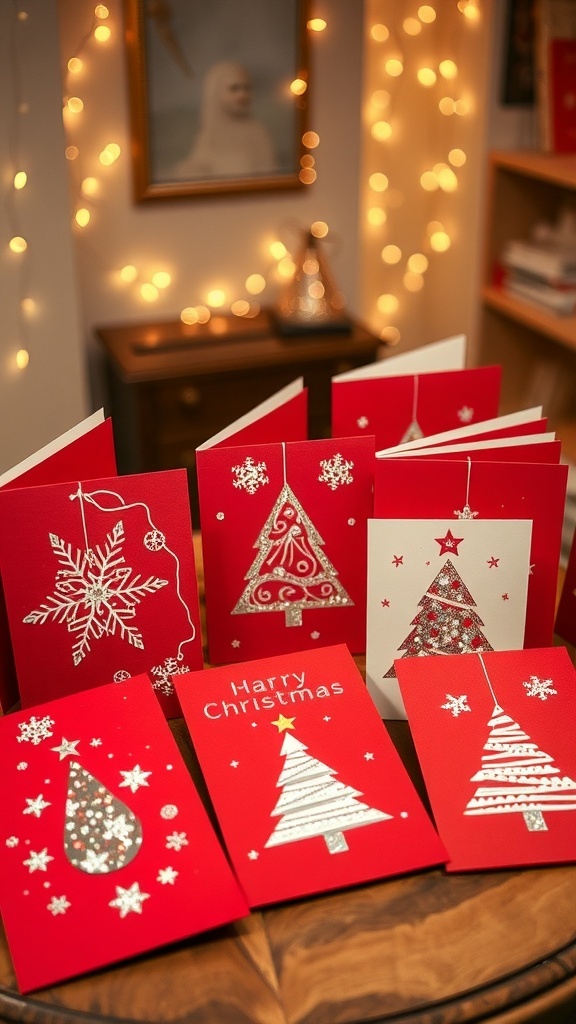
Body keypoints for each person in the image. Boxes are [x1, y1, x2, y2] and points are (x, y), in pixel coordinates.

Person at [173, 60, 277, 179]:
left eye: (246, 88)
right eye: (234, 88)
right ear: (215, 92)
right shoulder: (207, 137)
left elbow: (268, 178)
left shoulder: (257, 133)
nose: (242, 95)